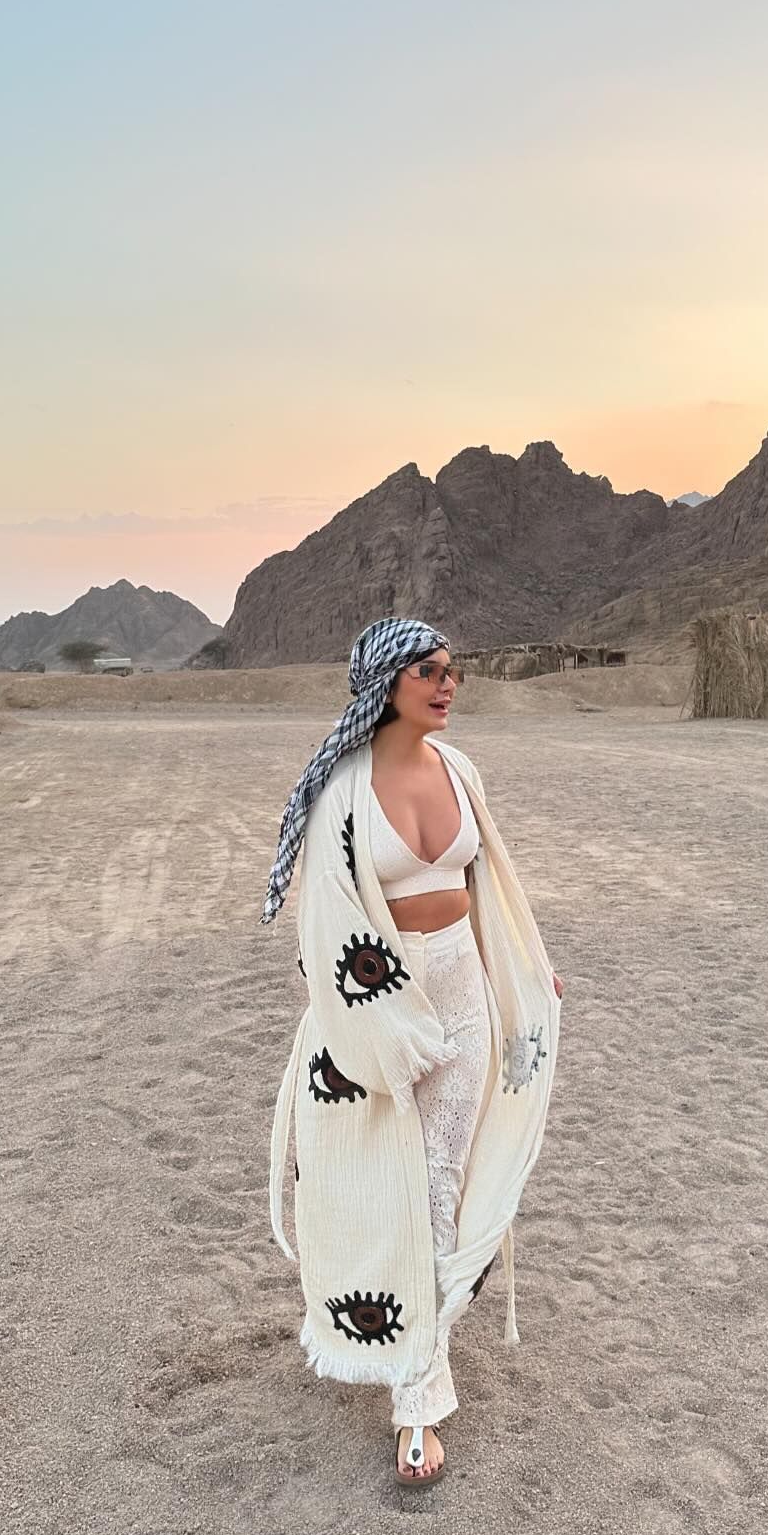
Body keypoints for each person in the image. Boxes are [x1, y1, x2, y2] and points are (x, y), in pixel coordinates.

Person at [263, 617, 563, 1486]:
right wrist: (389, 1021)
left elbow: (489, 884)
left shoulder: (460, 770)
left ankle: (418, 1390)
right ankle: (413, 1379)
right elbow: (327, 923)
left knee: (443, 1186)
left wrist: (527, 974)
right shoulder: (343, 790)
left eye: (451, 669)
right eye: (428, 670)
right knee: (383, 1191)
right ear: (384, 683)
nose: (447, 683)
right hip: (378, 1009)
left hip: (465, 996)